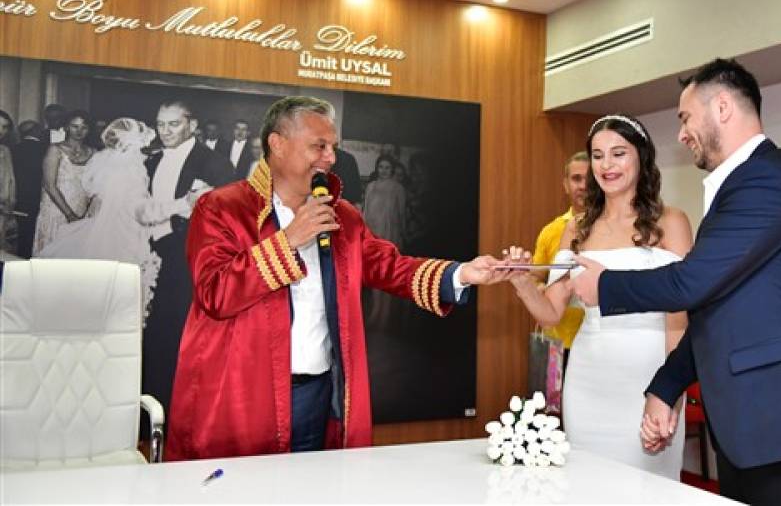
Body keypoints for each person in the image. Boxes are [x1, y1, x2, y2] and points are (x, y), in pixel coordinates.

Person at [568, 59, 781, 504]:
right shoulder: (739, 187)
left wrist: (606, 287)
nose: (682, 134)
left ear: (723, 108)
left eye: (685, 118)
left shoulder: (767, 179)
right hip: (756, 435)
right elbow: (716, 311)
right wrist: (666, 386)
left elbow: (691, 283)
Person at [166, 96, 509, 460]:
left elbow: (389, 266)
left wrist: (461, 273)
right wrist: (288, 241)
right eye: (319, 146)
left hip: (316, 396)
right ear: (277, 144)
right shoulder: (221, 208)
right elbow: (215, 294)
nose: (331, 158)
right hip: (242, 399)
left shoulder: (342, 216)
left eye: (333, 147)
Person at [504, 115, 692, 479]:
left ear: (641, 157)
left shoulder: (671, 222)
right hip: (588, 380)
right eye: (598, 155)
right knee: (586, 485)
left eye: (618, 153)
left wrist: (672, 398)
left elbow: (679, 323)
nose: (607, 165)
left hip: (648, 377)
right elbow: (551, 312)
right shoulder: (577, 228)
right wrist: (522, 282)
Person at [144, 99, 237, 423]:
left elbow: (228, 219)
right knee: (153, 335)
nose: (165, 131)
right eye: (160, 124)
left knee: (180, 336)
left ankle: (181, 415)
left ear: (192, 125)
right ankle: (151, 410)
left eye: (174, 124)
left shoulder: (216, 164)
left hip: (188, 260)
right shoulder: (152, 160)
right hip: (151, 255)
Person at [36, 118, 177, 324]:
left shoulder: (104, 159)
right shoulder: (132, 166)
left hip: (102, 219)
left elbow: (93, 191)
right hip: (124, 223)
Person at [531, 151, 589, 357]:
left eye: (590, 179)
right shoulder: (550, 231)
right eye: (576, 179)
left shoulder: (617, 229)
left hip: (601, 343)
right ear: (565, 185)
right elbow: (537, 277)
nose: (583, 185)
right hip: (559, 343)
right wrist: (538, 288)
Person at [33, 109, 94, 254]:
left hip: (81, 209)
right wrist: (69, 214)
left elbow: (95, 186)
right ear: (66, 127)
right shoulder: (55, 149)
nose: (79, 131)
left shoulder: (93, 152)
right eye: (74, 126)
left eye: (84, 127)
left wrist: (88, 212)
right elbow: (49, 185)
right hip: (56, 208)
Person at [12, 120, 46, 258]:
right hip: (39, 198)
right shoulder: (44, 149)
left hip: (18, 199)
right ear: (36, 131)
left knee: (21, 236)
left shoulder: (13, 149)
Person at [362, 154, 407, 247]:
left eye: (387, 168)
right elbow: (365, 209)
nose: (384, 171)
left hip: (389, 228)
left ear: (392, 169)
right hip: (371, 226)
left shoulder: (398, 188)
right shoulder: (371, 186)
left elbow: (401, 213)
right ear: (377, 168)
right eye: (381, 167)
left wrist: (403, 233)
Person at [0, 110, 16, 254]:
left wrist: (11, 201)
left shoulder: (5, 150)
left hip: (3, 211)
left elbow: (10, 178)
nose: (1, 131)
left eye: (5, 127)